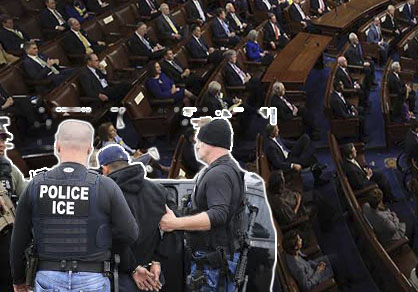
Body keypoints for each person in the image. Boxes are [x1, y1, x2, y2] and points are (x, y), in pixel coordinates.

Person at [10, 120, 138, 292]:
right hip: (93, 277)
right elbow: (130, 233)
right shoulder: (106, 186)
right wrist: (100, 239)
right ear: (89, 149)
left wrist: (18, 279)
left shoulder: (36, 185)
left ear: (57, 147)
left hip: (48, 276)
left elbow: (18, 240)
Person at [159, 118, 246, 291]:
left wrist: (175, 223)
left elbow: (218, 215)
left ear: (212, 143)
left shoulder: (218, 174)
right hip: (217, 261)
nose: (197, 146)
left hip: (212, 265)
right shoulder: (228, 169)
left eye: (200, 141)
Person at [98, 145, 172, 292]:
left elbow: (114, 236)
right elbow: (173, 227)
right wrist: (157, 260)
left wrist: (133, 267)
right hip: (153, 277)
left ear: (104, 169)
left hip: (121, 277)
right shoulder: (158, 190)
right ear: (127, 163)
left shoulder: (105, 193)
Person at [0, 130, 26, 292]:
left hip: (5, 237)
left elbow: (25, 197)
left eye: (3, 140)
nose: (1, 145)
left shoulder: (8, 169)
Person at [264, 123, 328, 186]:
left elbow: (285, 142)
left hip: (289, 154)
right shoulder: (270, 147)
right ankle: (317, 177)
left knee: (305, 138)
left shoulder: (276, 137)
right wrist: (292, 165)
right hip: (287, 161)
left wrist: (298, 144)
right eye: (276, 129)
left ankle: (304, 159)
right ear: (272, 132)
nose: (278, 130)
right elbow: (278, 163)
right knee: (312, 158)